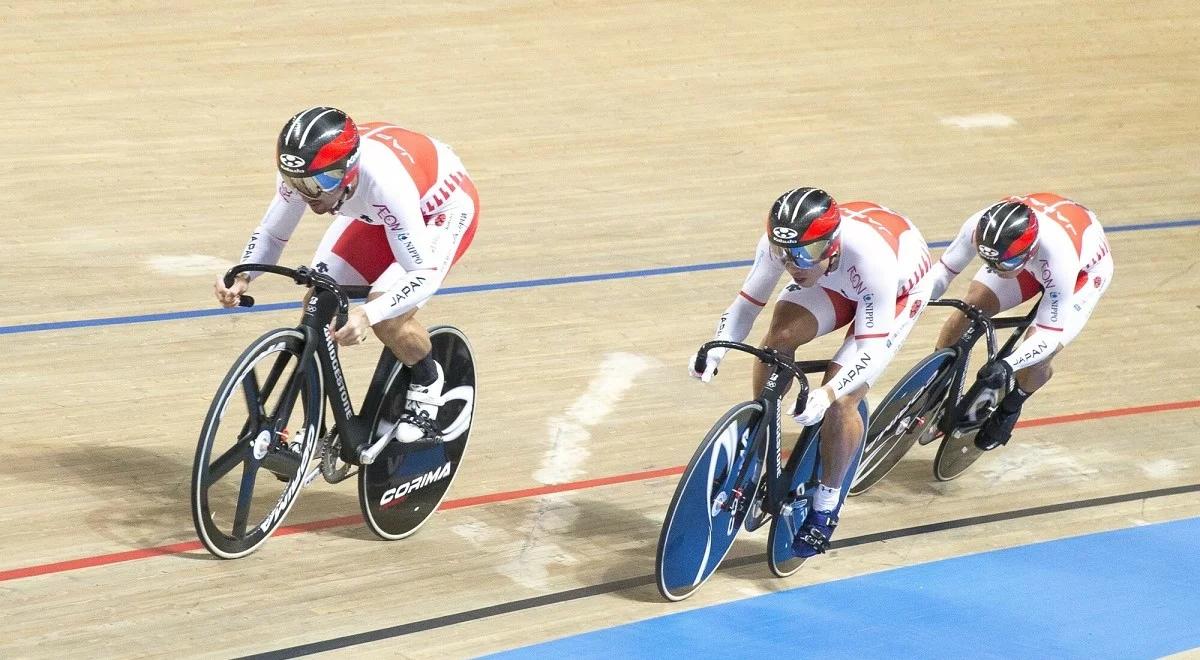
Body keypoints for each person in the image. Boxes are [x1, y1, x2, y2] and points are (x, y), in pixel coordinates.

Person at [689, 187, 932, 557]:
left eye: (805, 254)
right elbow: (745, 305)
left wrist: (829, 393)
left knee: (843, 398)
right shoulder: (785, 247)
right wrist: (717, 347)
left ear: (831, 244)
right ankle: (759, 442)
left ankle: (825, 508)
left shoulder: (872, 259)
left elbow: (870, 350)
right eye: (785, 255)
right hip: (835, 278)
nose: (794, 265)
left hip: (895, 290)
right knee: (778, 341)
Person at [214, 106, 480, 442]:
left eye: (321, 183)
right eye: (298, 183)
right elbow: (272, 233)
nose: (310, 195)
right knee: (319, 300)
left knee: (387, 314)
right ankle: (313, 429)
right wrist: (244, 276)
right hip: (379, 213)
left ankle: (428, 380)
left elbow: (421, 273)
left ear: (349, 169)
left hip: (438, 211)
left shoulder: (385, 184)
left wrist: (369, 314)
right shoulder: (309, 173)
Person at [926, 192, 1113, 450]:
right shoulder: (981, 227)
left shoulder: (1059, 257)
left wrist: (1008, 365)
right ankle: (934, 384)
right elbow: (943, 272)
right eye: (989, 261)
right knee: (969, 309)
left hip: (1082, 274)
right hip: (1025, 258)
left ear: (1030, 250)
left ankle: (1011, 407)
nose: (997, 269)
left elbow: (1048, 335)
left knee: (1037, 353)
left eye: (1005, 263)